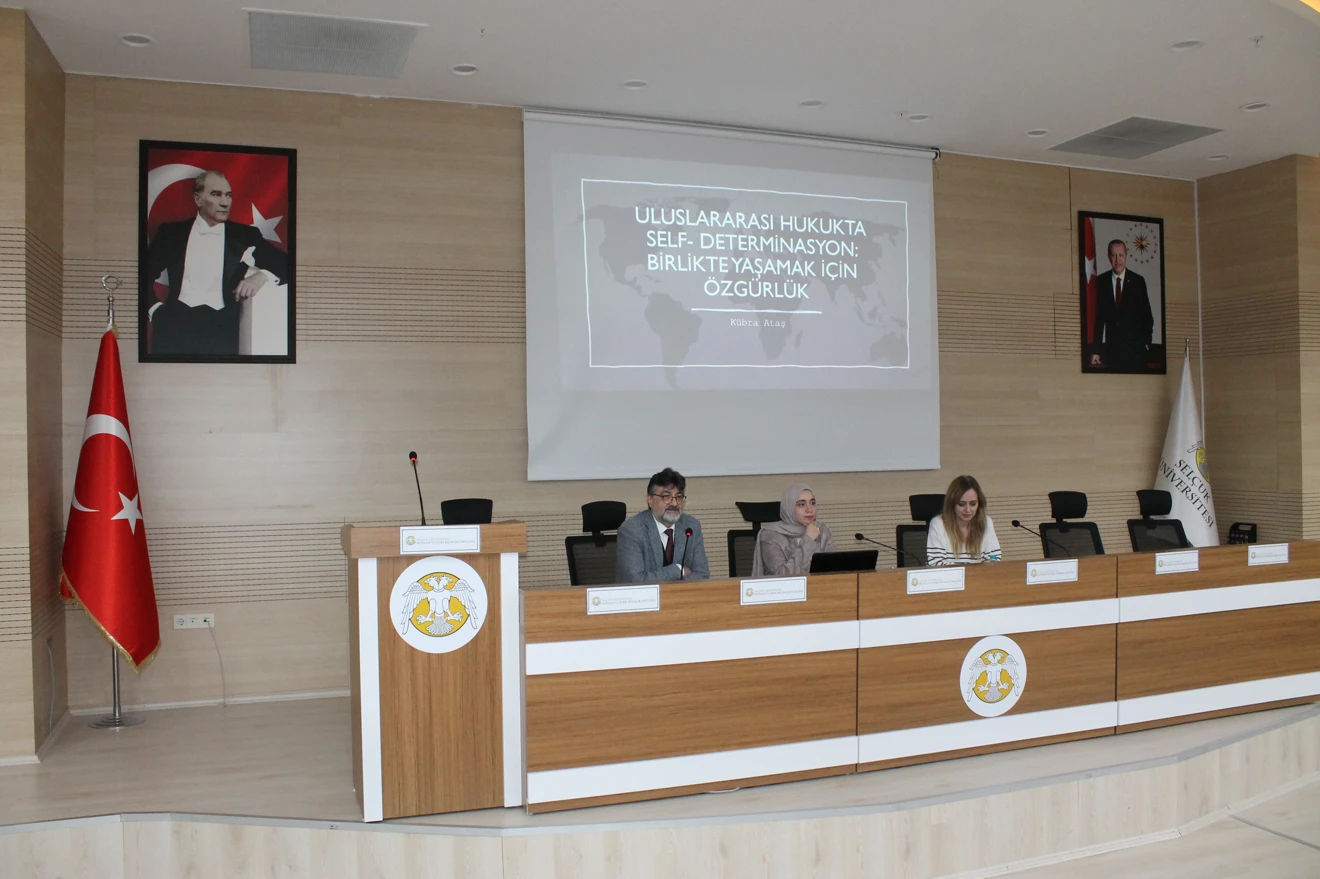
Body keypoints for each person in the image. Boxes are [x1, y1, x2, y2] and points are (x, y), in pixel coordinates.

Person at [143, 170, 288, 356]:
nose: (225, 202)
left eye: (228, 195)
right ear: (198, 199)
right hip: (174, 331)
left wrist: (262, 276)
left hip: (223, 334)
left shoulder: (245, 236)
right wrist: (155, 310)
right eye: (216, 194)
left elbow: (287, 264)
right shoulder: (171, 233)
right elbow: (142, 275)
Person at [615, 467, 710, 582]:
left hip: (682, 593)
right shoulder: (632, 530)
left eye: (679, 497)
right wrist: (678, 570)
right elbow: (636, 581)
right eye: (666, 496)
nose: (674, 503)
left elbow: (702, 575)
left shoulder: (691, 526)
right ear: (650, 500)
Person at [1090, 239, 1153, 371]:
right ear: (1109, 257)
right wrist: (1096, 350)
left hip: (1136, 353)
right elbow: (1099, 320)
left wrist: (1146, 343)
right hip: (1112, 353)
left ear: (1126, 256)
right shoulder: (1101, 282)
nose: (1117, 260)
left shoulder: (1138, 281)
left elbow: (1147, 317)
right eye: (1113, 255)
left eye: (1120, 255)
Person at [750, 484, 837, 577]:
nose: (809, 510)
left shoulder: (822, 530)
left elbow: (835, 570)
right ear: (789, 508)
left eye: (812, 503)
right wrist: (808, 540)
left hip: (821, 585)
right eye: (802, 504)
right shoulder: (770, 536)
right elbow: (781, 577)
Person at [927, 475, 1002, 565]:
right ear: (952, 504)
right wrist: (966, 572)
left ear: (979, 504)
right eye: (961, 504)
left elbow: (994, 557)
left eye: (973, 504)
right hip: (952, 575)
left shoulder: (986, 522)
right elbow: (936, 563)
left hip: (979, 574)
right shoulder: (938, 524)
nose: (968, 510)